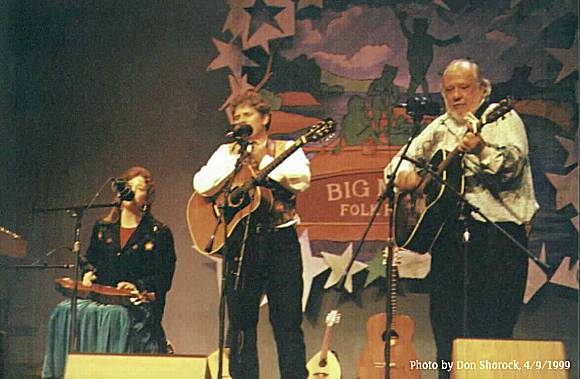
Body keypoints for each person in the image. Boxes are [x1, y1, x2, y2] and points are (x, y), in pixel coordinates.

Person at [385, 59, 538, 378]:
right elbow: (396, 166)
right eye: (449, 89)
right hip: (449, 238)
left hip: (497, 236)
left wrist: (481, 149)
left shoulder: (502, 118)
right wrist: (406, 176)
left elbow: (511, 169)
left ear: (483, 89)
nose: (456, 96)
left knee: (492, 330)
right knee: (446, 327)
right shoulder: (440, 126)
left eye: (464, 88)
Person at [193, 90, 310, 379]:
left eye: (247, 115)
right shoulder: (226, 152)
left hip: (280, 243)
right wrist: (237, 164)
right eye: (237, 116)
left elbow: (302, 180)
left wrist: (267, 162)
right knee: (241, 323)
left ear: (265, 118)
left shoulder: (287, 147)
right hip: (241, 242)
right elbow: (203, 184)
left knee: (287, 321)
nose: (240, 120)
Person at [42, 166, 177, 378]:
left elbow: (163, 277)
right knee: (64, 309)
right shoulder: (103, 228)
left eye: (138, 188)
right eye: (128, 186)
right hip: (101, 297)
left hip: (134, 303)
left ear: (147, 197)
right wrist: (88, 274)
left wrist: (138, 286)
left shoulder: (158, 233)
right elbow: (91, 261)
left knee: (117, 315)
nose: (131, 191)